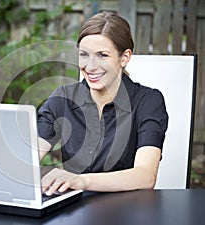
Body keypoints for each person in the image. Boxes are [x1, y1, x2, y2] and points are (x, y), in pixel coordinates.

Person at [37, 11, 168, 195]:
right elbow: (30, 155)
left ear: (125, 58)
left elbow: (145, 176)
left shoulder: (148, 101)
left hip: (126, 212)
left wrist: (81, 180)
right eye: (84, 54)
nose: (90, 66)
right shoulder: (63, 99)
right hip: (73, 212)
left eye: (102, 55)